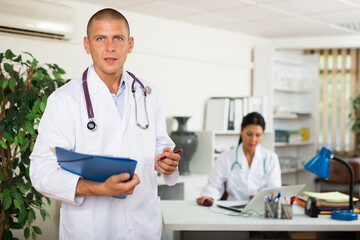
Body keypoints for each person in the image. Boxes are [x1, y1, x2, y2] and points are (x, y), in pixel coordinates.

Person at [30, 8, 180, 240]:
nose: (110, 47)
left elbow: (160, 146)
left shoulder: (149, 94)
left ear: (129, 44)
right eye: (100, 38)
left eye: (117, 38)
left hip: (142, 224)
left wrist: (167, 161)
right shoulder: (64, 99)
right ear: (87, 45)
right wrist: (98, 189)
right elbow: (42, 172)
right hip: (91, 229)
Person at [197, 112, 281, 206]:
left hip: (261, 208)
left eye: (258, 135)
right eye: (249, 134)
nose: (253, 140)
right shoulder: (226, 158)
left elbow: (275, 189)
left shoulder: (271, 158)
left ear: (263, 134)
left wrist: (260, 198)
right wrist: (209, 197)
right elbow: (214, 185)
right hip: (232, 208)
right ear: (241, 130)